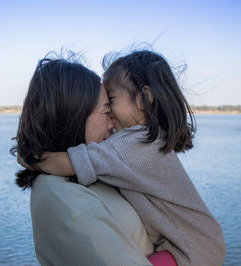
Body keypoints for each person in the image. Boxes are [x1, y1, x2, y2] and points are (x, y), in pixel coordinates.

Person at [37, 50, 226, 265]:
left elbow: (71, 162)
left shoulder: (134, 144)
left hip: (191, 251)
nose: (109, 111)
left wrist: (32, 159)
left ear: (144, 99)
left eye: (112, 100)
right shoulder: (148, 140)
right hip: (203, 243)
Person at [11, 55, 154, 265]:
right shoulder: (69, 204)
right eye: (107, 111)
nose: (113, 123)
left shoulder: (85, 176)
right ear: (72, 116)